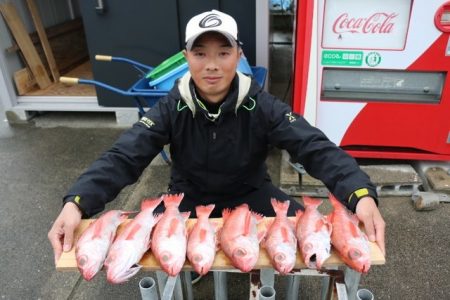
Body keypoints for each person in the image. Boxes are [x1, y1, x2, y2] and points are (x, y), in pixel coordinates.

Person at [48, 10, 385, 268]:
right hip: (187, 196)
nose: (212, 65)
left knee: (309, 238)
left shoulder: (262, 105)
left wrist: (360, 193)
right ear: (186, 58)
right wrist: (77, 201)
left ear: (239, 56)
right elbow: (124, 155)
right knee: (160, 251)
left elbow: (313, 145)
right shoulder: (169, 108)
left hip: (252, 193)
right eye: (200, 53)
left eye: (223, 53)